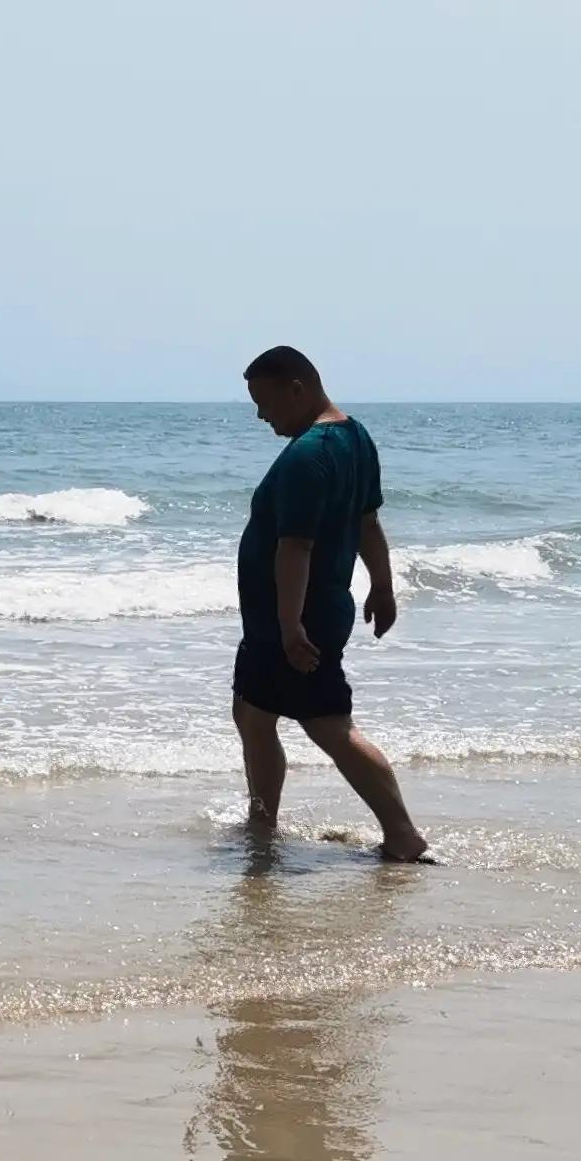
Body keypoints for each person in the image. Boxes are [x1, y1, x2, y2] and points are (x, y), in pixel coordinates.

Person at [233, 346, 431, 863]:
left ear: (296, 387)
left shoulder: (308, 454)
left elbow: (295, 546)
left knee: (328, 724)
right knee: (254, 712)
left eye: (264, 401)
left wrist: (289, 625)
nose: (260, 415)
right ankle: (262, 821)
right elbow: (367, 522)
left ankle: (402, 834)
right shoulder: (355, 438)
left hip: (296, 619)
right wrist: (383, 586)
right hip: (298, 615)